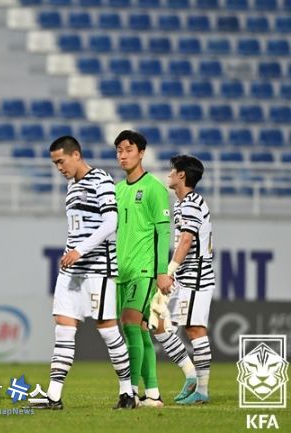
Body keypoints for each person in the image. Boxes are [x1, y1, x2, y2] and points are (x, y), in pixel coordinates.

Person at [29, 136, 134, 410]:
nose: (59, 167)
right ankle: (53, 396)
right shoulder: (71, 186)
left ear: (76, 155)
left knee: (108, 331)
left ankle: (127, 392)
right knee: (63, 328)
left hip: (99, 268)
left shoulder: (101, 179)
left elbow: (111, 222)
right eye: (55, 163)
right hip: (72, 271)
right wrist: (71, 253)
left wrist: (80, 250)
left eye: (61, 161)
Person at [114, 130, 171, 407]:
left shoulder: (154, 188)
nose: (123, 155)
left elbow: (164, 232)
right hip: (121, 272)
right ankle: (153, 394)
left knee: (129, 323)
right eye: (119, 151)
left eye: (128, 150)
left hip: (144, 270)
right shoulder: (118, 189)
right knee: (138, 329)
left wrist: (162, 271)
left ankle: (130, 393)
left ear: (141, 153)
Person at [152, 155, 214, 405]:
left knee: (195, 329)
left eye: (172, 170)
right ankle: (190, 375)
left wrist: (169, 270)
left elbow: (187, 239)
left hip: (197, 275)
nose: (169, 174)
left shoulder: (191, 203)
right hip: (184, 275)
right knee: (157, 322)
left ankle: (202, 391)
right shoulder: (182, 204)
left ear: (181, 175)